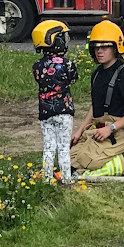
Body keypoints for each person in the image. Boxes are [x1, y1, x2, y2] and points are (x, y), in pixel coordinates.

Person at [69, 20, 124, 177]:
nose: (100, 51)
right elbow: (96, 106)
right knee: (69, 159)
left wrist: (110, 129)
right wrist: (79, 131)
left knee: (86, 163)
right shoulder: (97, 74)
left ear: (116, 48)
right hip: (98, 129)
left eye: (105, 47)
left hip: (116, 131)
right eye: (96, 47)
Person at [32, 20, 78, 185]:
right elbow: (73, 78)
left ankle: (46, 177)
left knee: (49, 146)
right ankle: (66, 178)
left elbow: (39, 80)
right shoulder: (68, 64)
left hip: (45, 112)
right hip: (64, 110)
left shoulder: (37, 66)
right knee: (63, 147)